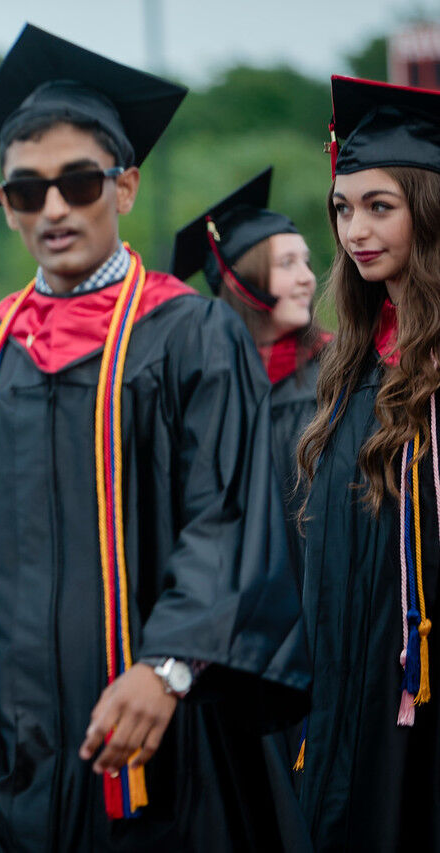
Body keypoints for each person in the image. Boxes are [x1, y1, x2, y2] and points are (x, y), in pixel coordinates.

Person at [0, 25, 310, 849]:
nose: (53, 207)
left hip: (156, 730)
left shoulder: (190, 333)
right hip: (9, 744)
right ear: (5, 204)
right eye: (27, 190)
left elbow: (228, 515)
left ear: (124, 187)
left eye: (78, 182)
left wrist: (167, 667)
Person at [294, 75, 440, 850]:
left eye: (378, 206)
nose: (354, 229)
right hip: (345, 681)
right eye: (342, 208)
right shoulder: (348, 363)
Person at [170, 167, 327, 579]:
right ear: (241, 282)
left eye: (306, 262)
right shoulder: (199, 388)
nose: (307, 278)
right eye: (287, 263)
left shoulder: (339, 375)